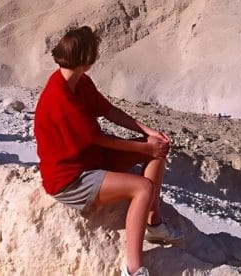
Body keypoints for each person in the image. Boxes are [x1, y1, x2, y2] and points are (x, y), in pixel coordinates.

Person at [34, 26, 182, 276]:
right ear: (87, 61)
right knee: (142, 187)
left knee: (157, 151)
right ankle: (133, 269)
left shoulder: (78, 82)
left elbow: (108, 110)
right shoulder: (59, 98)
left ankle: (153, 223)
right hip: (70, 179)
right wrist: (145, 145)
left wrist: (149, 133)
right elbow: (99, 138)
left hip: (89, 159)